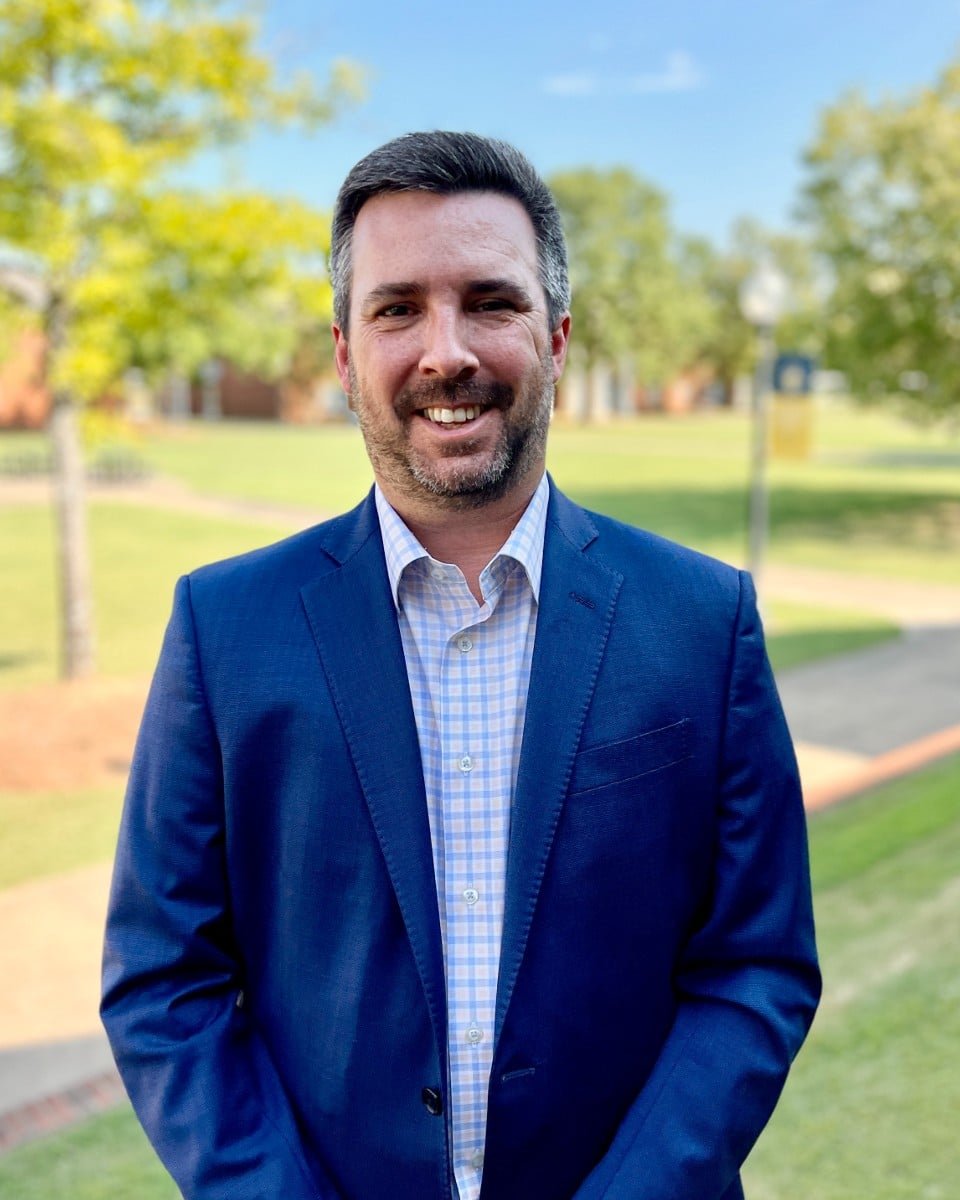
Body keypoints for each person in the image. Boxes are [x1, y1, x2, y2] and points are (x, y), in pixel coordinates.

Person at [101, 131, 820, 1200]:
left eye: (491, 301)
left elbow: (754, 966)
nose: (448, 352)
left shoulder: (703, 621)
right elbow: (166, 982)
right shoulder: (224, 627)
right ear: (345, 353)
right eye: (397, 309)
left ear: (558, 337)